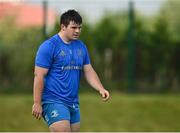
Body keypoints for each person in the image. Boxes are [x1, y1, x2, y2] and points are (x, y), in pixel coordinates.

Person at [32, 9, 110, 132]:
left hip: (73, 103)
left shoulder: (81, 46)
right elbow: (39, 75)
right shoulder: (49, 46)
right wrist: (37, 102)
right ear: (63, 26)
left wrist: (100, 88)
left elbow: (88, 70)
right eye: (74, 27)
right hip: (53, 100)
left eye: (80, 27)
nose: (78, 31)